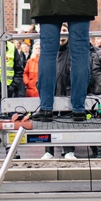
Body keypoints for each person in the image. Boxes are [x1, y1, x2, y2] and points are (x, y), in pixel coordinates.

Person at [41, 25, 77, 160]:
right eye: (60, 31)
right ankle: (48, 151)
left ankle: (68, 150)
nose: (62, 34)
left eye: (64, 31)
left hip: (68, 91)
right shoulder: (49, 50)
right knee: (49, 121)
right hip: (52, 92)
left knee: (68, 121)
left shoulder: (73, 51)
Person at [0, 24, 24, 114]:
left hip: (8, 89)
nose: (0, 33)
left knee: (8, 117)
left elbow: (19, 70)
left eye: (3, 30)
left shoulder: (12, 48)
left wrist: (13, 86)